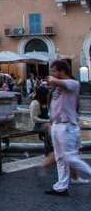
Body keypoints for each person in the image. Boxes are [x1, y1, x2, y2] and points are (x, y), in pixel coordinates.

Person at [44, 60, 91, 196]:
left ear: (62, 71)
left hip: (67, 126)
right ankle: (61, 186)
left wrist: (51, 79)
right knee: (60, 158)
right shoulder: (57, 88)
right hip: (57, 125)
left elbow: (60, 83)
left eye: (54, 71)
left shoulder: (73, 83)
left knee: (70, 157)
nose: (52, 74)